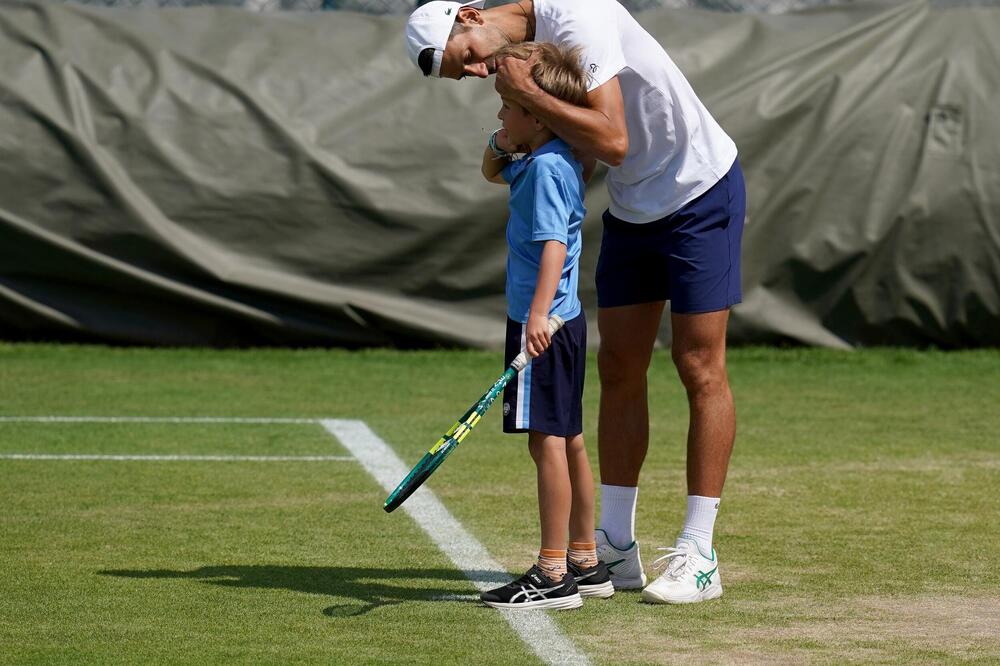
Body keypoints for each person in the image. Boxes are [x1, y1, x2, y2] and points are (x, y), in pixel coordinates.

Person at [405, 0, 746, 605]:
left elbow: (613, 140)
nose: (481, 75)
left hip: (700, 190)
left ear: (468, 16)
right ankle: (612, 546)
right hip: (634, 207)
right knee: (617, 369)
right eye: (467, 77)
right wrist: (513, 132)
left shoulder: (577, 14)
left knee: (698, 366)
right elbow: (575, 153)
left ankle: (700, 551)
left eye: (468, 61)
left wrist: (530, 101)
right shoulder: (525, 56)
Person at [476, 41, 613, 611]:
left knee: (546, 444)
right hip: (564, 324)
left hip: (543, 326)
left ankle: (552, 571)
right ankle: (585, 559)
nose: (500, 115)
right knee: (569, 440)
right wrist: (503, 139)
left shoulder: (545, 170)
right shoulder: (540, 158)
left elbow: (554, 244)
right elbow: (489, 169)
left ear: (536, 113)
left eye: (507, 106)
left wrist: (535, 316)